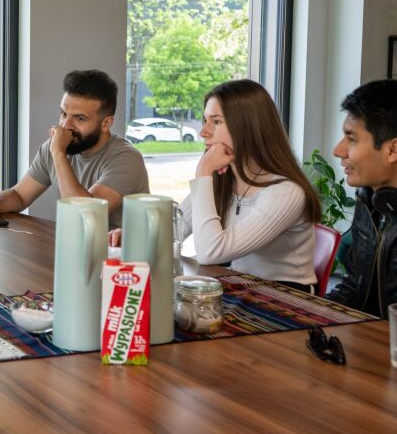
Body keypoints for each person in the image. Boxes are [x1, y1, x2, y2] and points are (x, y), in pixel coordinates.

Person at [111, 79, 321, 291]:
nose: (204, 132)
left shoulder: (286, 192)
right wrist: (134, 237)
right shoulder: (224, 179)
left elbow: (211, 252)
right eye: (204, 120)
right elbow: (175, 228)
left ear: (248, 126)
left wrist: (203, 173)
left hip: (287, 298)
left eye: (216, 122)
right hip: (242, 288)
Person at [0, 69, 149, 229]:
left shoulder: (126, 158)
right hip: (78, 249)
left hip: (124, 261)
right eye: (63, 114)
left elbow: (84, 214)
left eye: (80, 118)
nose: (66, 125)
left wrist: (59, 153)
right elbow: (19, 195)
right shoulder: (54, 147)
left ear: (106, 123)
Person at [326, 79, 397, 316]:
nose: (338, 150)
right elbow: (353, 287)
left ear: (393, 150)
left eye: (352, 138)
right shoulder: (371, 198)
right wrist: (312, 315)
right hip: (368, 341)